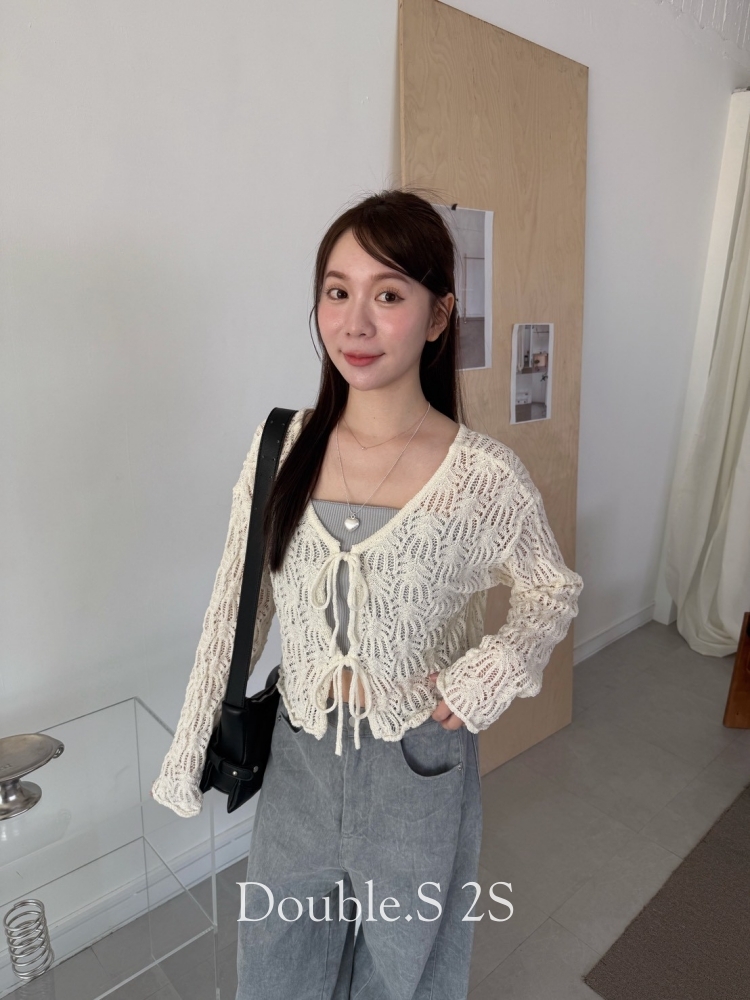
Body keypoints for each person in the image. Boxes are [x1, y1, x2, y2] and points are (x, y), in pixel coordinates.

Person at [150, 188, 584, 999]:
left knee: (405, 975)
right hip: (301, 763)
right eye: (337, 291)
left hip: (417, 767)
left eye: (387, 295)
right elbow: (237, 609)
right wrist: (188, 747)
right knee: (276, 967)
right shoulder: (281, 448)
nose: (355, 323)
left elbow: (550, 591)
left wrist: (493, 670)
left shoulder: (482, 477)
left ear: (438, 315)